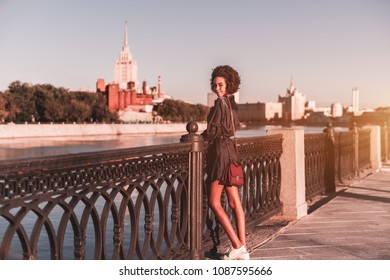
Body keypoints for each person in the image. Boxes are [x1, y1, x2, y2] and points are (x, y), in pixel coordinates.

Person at [202, 65, 249, 260]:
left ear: (229, 85)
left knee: (214, 202)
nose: (217, 88)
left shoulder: (220, 103)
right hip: (231, 151)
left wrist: (200, 137)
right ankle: (243, 248)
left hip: (220, 153)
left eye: (221, 85)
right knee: (234, 202)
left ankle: (237, 245)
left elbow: (212, 131)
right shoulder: (232, 104)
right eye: (215, 85)